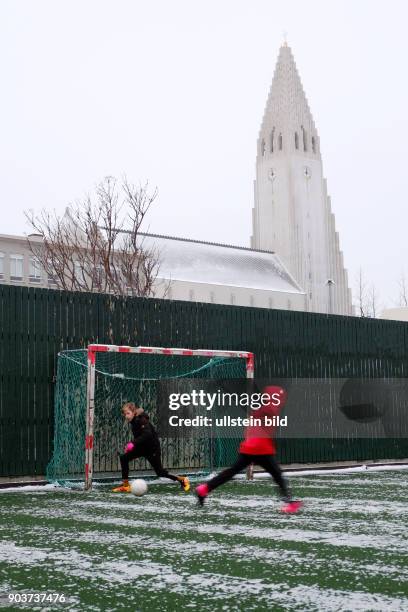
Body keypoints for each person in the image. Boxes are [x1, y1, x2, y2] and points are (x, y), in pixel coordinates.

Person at [195, 385, 302, 513]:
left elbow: (250, 428)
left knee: (232, 471)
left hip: (249, 448)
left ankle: (205, 488)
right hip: (262, 449)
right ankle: (289, 503)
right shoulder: (270, 409)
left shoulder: (260, 409)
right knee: (277, 475)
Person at [113, 402, 190, 493]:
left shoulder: (141, 420)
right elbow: (140, 436)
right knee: (124, 458)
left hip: (152, 449)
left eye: (128, 413)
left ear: (133, 412)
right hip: (142, 448)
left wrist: (133, 443)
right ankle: (126, 485)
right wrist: (133, 445)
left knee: (160, 472)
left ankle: (182, 479)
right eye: (125, 414)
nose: (126, 416)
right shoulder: (133, 421)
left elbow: (147, 434)